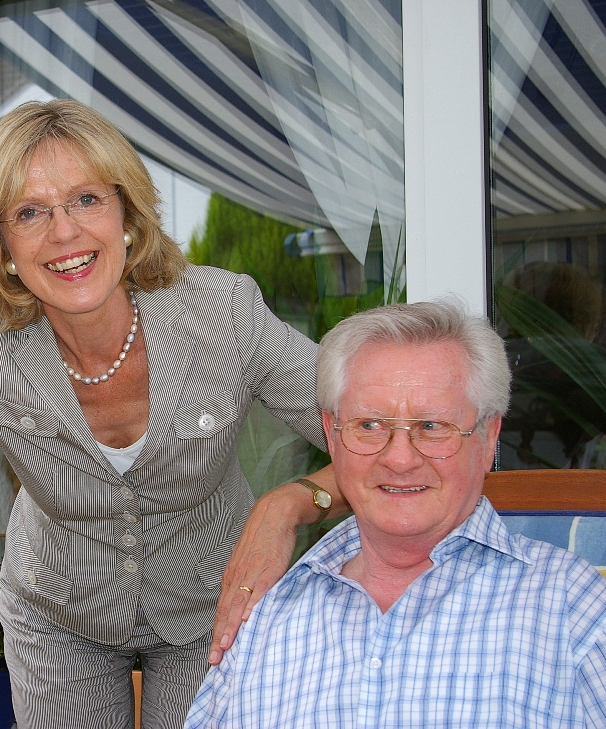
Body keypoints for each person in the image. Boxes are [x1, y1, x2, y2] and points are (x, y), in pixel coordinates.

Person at [0, 99, 344, 728]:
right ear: (2, 245)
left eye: (86, 199)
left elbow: (372, 436)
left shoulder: (222, 315)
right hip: (57, 617)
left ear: (126, 213)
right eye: (29, 213)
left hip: (213, 606)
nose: (65, 233)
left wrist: (293, 502)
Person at [184, 300, 606, 728]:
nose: (400, 459)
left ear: (488, 437)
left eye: (431, 426)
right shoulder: (264, 617)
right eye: (370, 425)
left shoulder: (570, 605)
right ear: (332, 435)